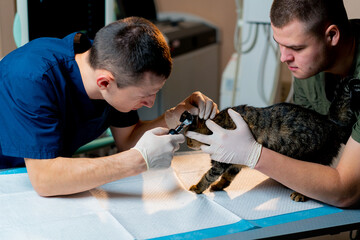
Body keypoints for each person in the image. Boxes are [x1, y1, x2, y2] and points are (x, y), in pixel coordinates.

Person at [0, 17, 218, 196]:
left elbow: (128, 141)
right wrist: (139, 160)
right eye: (145, 96)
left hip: (42, 174)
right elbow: (45, 180)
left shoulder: (113, 62)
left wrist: (173, 116)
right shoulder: (34, 78)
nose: (150, 103)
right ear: (105, 83)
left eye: (155, 93)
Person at [186, 0, 360, 208]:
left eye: (296, 47)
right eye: (279, 43)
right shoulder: (309, 66)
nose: (283, 58)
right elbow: (311, 149)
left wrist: (254, 155)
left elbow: (346, 192)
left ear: (332, 36)